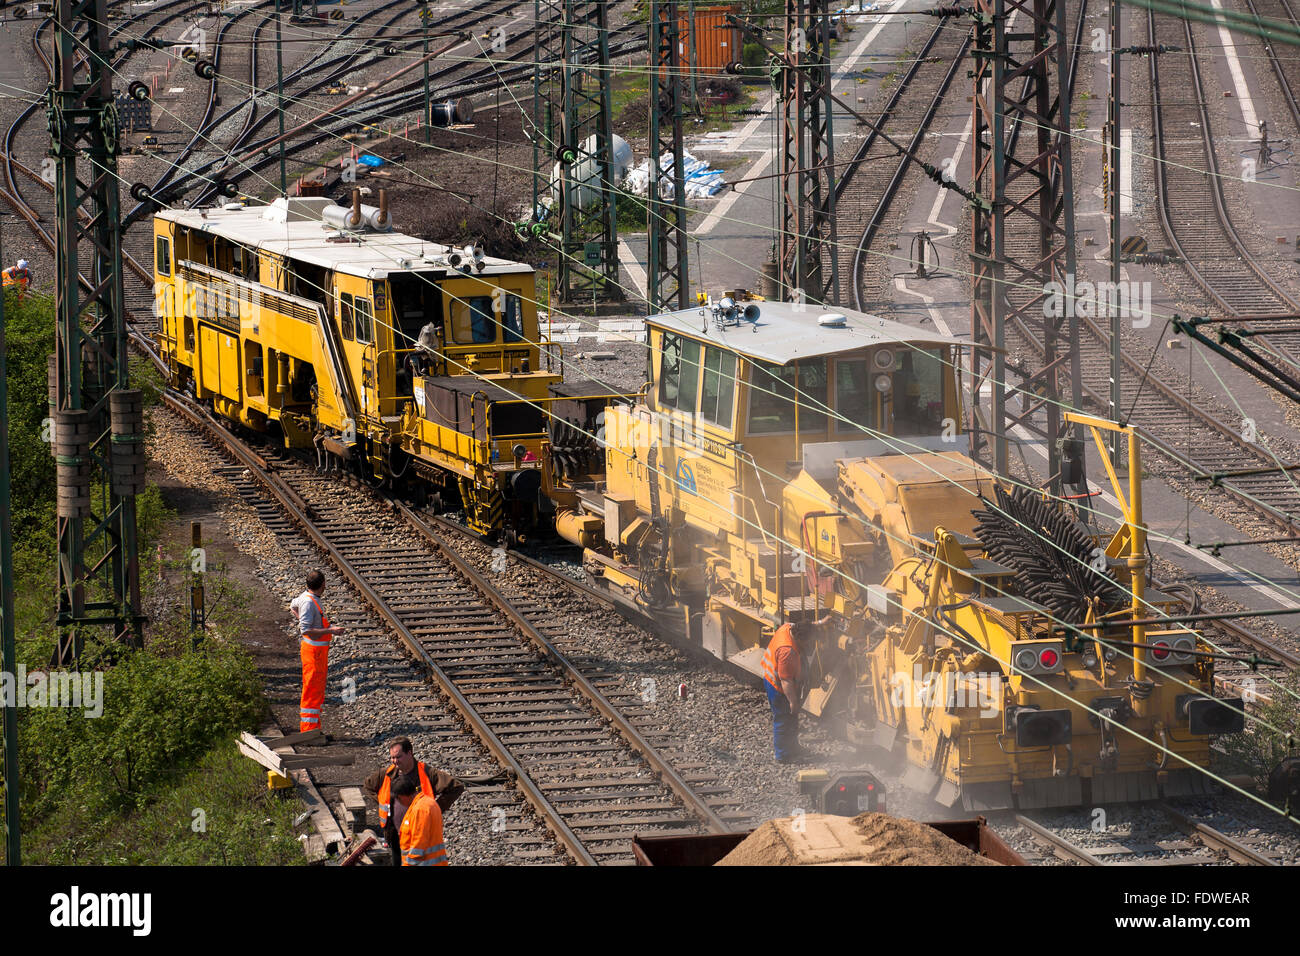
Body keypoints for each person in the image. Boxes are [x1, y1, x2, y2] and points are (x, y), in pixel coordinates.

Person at [364, 737, 465, 867]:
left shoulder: (427, 773)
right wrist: (383, 802)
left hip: (419, 832)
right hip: (395, 832)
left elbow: (456, 787)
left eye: (398, 757)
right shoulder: (387, 774)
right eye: (392, 758)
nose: (395, 761)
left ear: (410, 753)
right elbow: (368, 785)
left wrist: (436, 807)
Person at [760, 618, 828, 764]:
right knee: (783, 719)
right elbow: (786, 681)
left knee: (792, 718)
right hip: (777, 687)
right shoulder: (787, 652)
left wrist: (822, 622)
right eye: (807, 641)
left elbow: (807, 625)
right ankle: (783, 755)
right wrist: (793, 702)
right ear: (799, 638)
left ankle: (793, 747)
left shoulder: (788, 628)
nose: (809, 645)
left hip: (780, 679)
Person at [291, 569, 344, 732]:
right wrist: (331, 631)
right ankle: (308, 731)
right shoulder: (308, 602)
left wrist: (301, 618)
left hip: (317, 653)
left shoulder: (305, 598)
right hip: (313, 653)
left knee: (317, 690)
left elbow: (292, 606)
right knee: (312, 690)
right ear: (323, 585)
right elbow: (305, 630)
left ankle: (314, 729)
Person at [392, 775, 448, 866]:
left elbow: (418, 847)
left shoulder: (420, 809)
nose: (399, 802)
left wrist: (407, 865)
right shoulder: (428, 802)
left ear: (402, 796)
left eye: (398, 799)